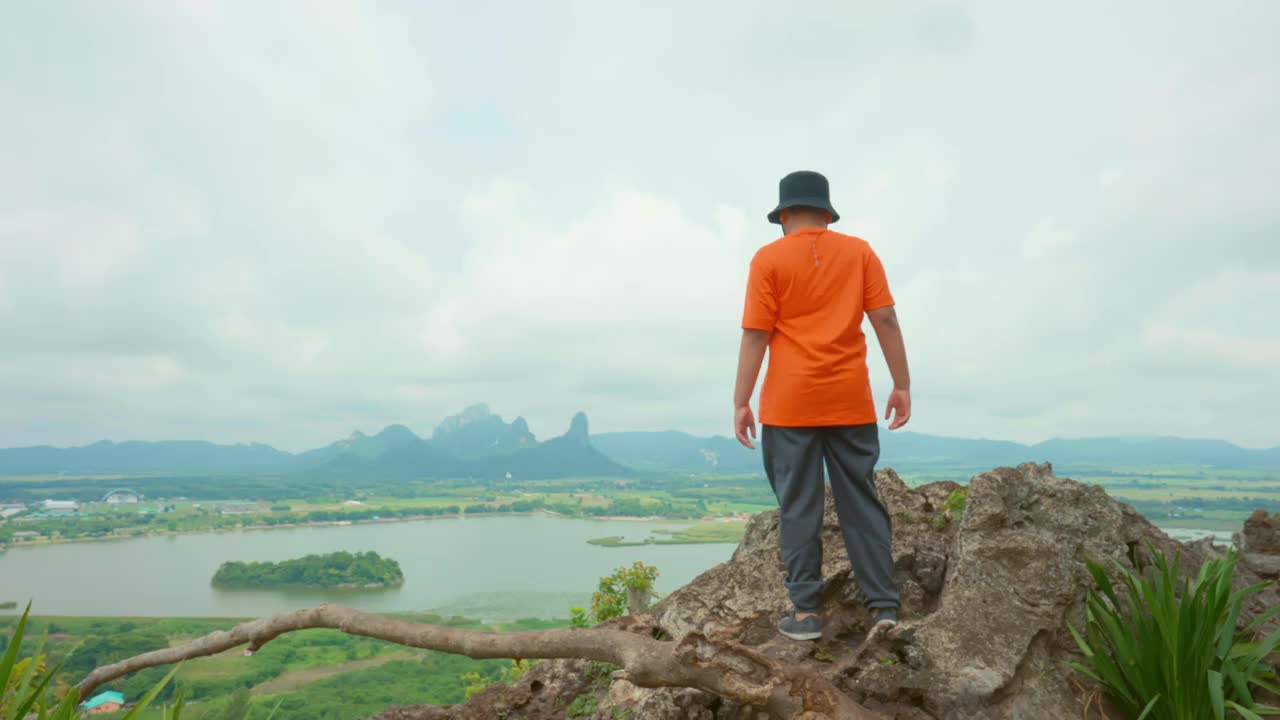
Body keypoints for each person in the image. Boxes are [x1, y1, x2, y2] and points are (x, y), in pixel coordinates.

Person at [733, 170, 912, 641]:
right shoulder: (859, 252)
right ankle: (884, 609)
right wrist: (902, 384)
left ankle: (807, 614)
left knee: (799, 506)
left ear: (784, 214)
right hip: (850, 400)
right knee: (862, 501)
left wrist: (741, 400)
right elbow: (886, 319)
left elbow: (756, 333)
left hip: (789, 406)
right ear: (828, 213)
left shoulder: (768, 260)